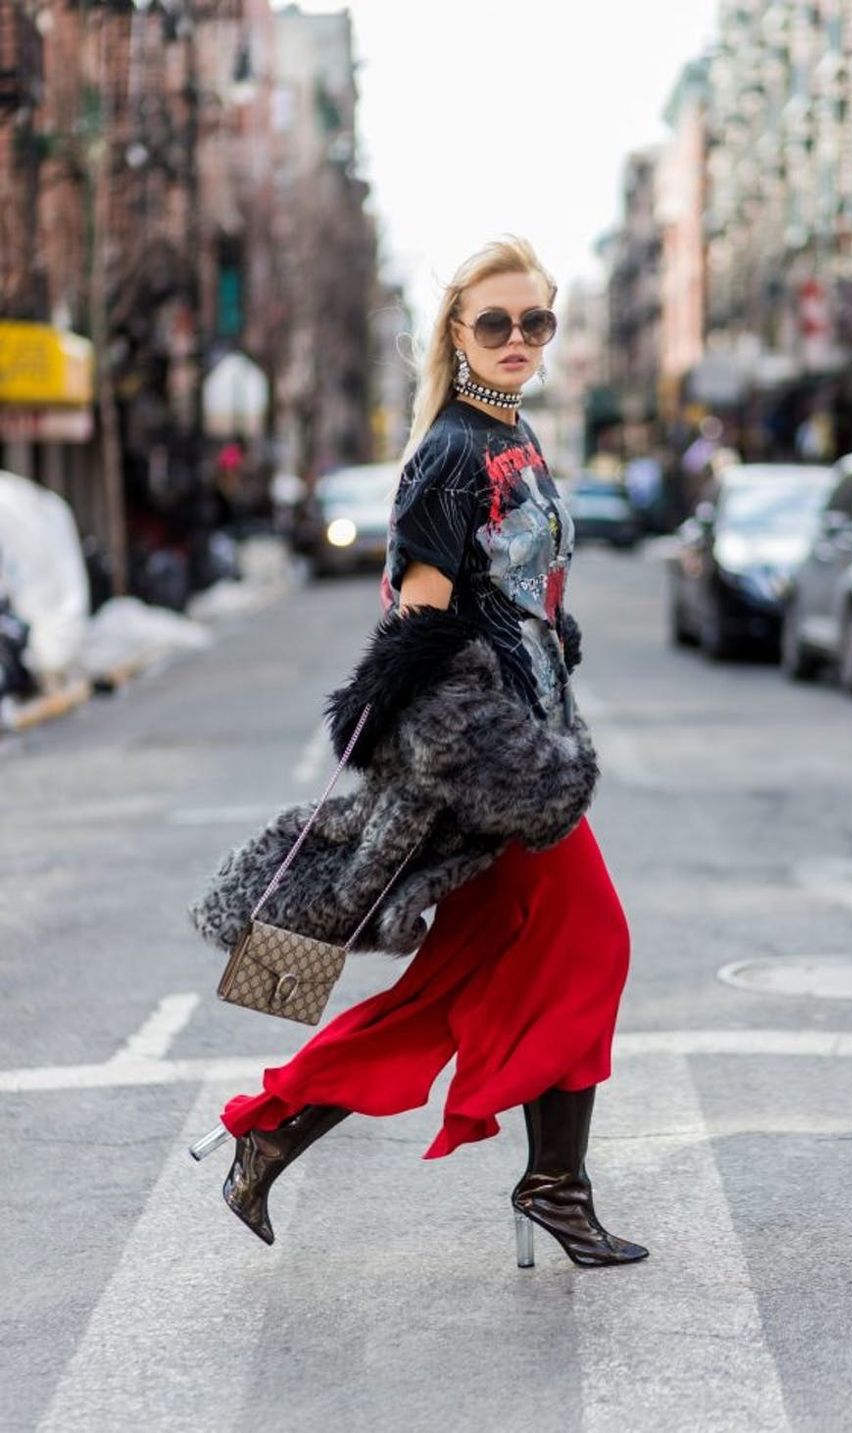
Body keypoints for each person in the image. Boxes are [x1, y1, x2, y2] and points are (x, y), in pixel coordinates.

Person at [189, 237, 648, 1271]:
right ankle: (551, 1183)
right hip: (497, 770)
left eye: (536, 321)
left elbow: (514, 597)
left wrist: (542, 653)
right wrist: (500, 760)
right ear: (455, 332)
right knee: (592, 943)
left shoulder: (513, 431)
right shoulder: (453, 451)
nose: (519, 338)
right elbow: (421, 622)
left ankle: (274, 1126)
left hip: (523, 742)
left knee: (453, 983)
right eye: (496, 322)